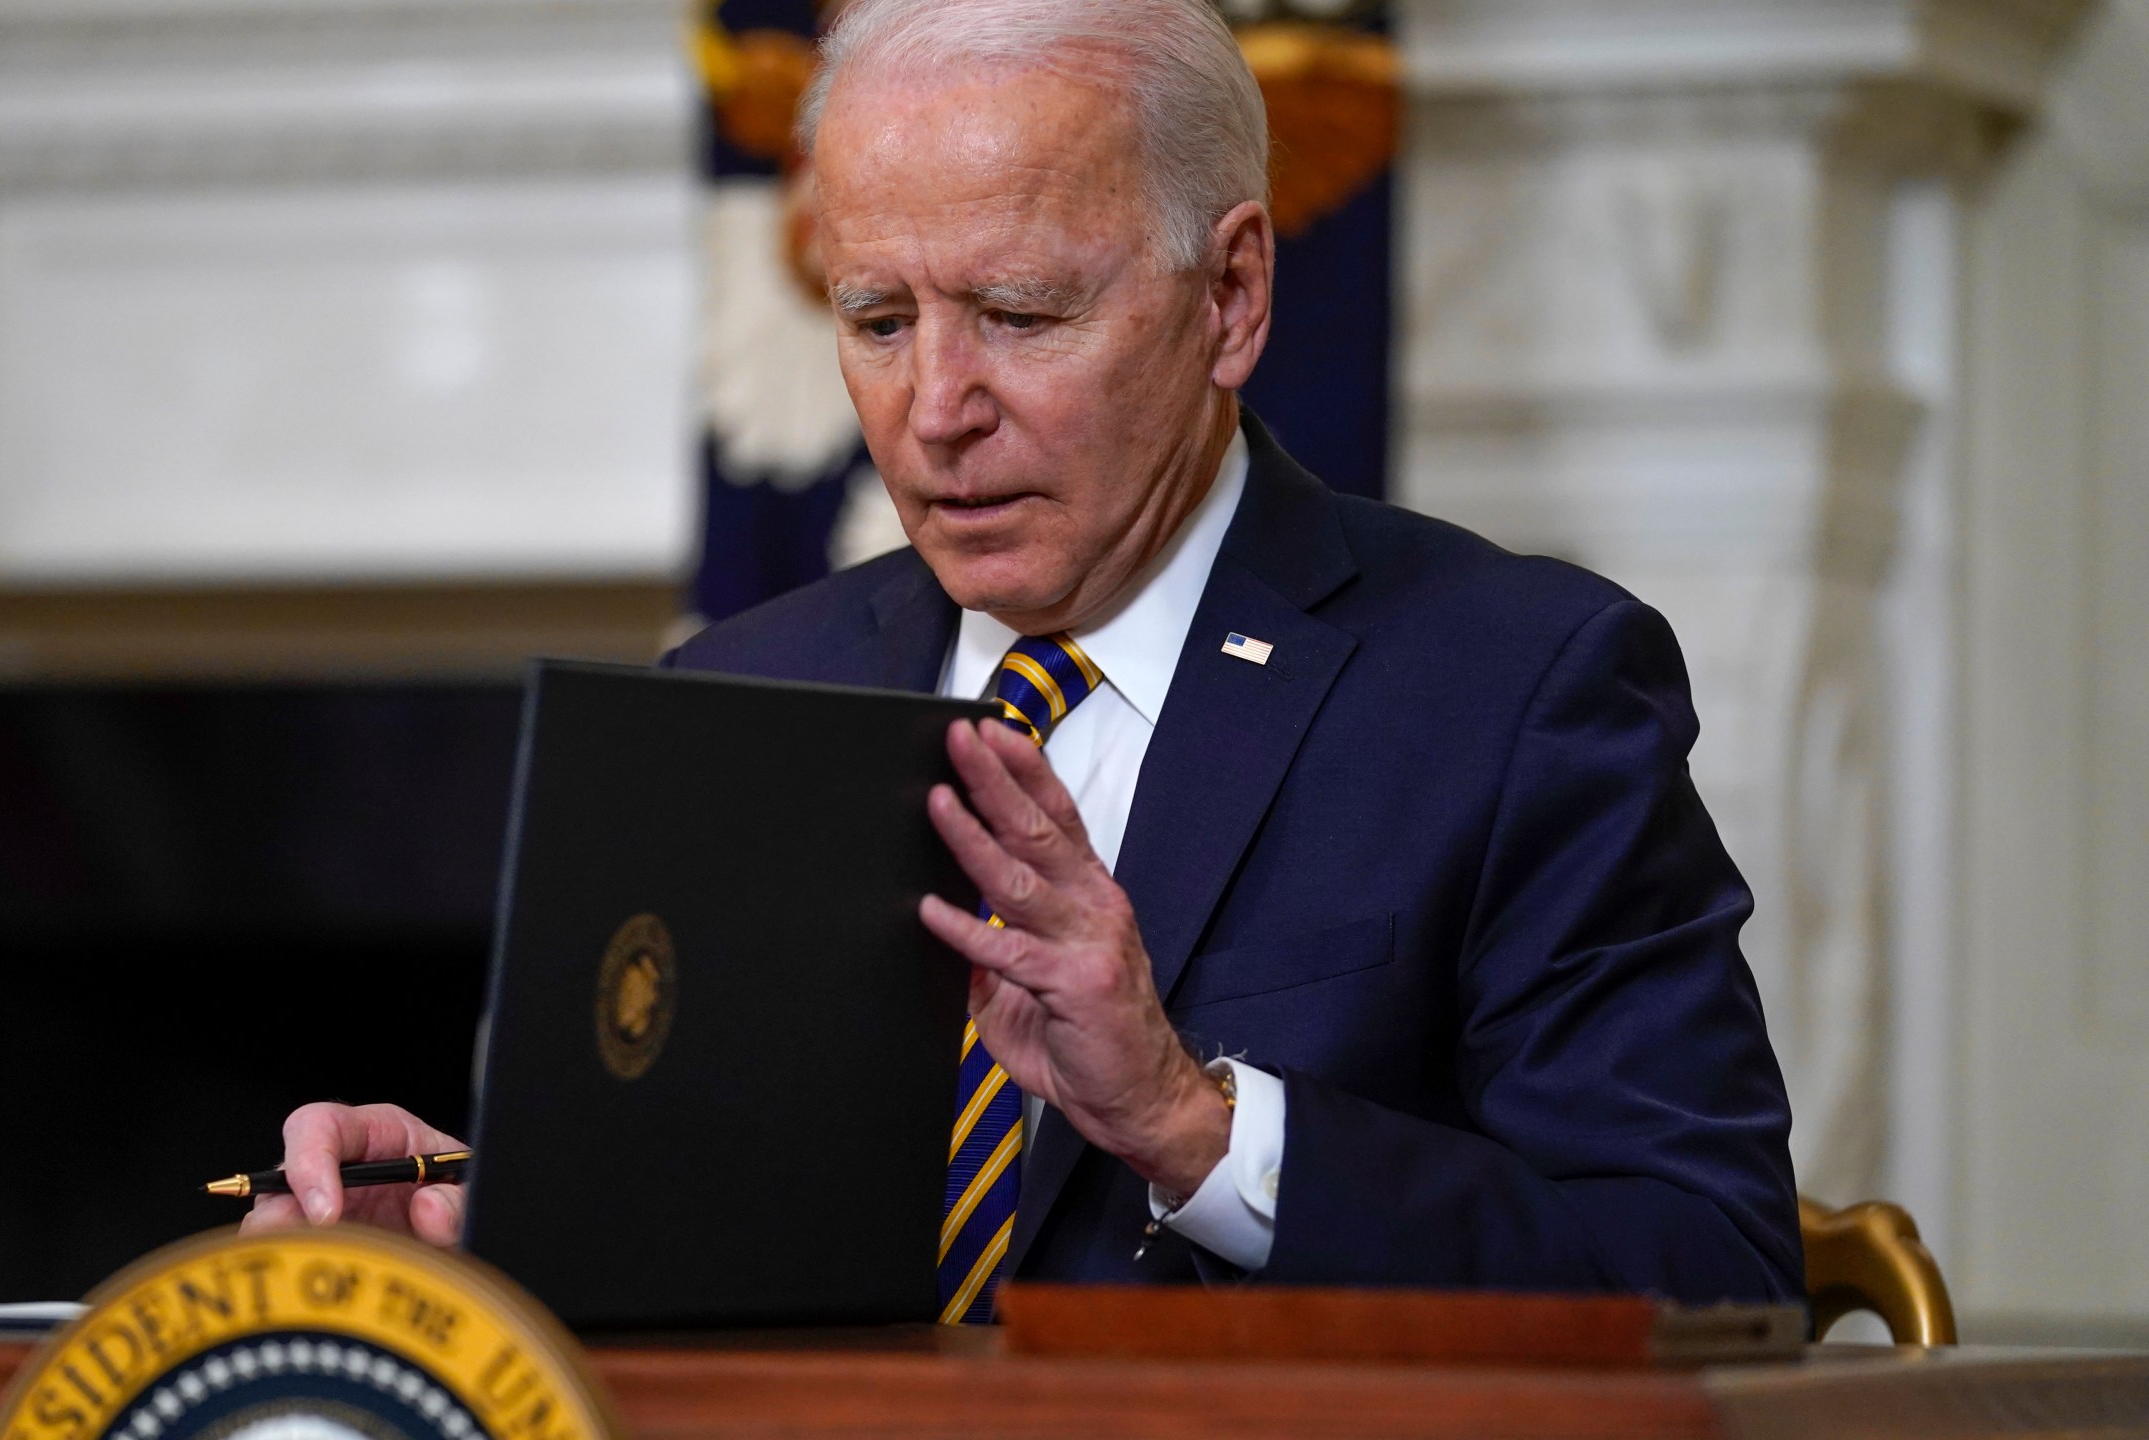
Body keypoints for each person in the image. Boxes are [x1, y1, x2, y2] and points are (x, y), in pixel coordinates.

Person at [246, 0, 1802, 1321]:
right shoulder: (738, 688)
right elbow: (715, 1257)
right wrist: (476, 1234)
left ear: (1233, 296)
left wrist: (1198, 1131)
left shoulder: (1511, 691)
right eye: (873, 318)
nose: (935, 408)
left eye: (1017, 312)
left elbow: (1709, 1269)